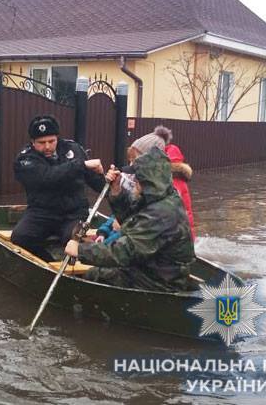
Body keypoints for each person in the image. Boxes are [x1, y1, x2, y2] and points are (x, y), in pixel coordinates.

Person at [65, 146, 195, 292]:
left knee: (94, 274)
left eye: (137, 177)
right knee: (103, 269)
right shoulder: (163, 197)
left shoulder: (161, 213)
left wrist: (80, 250)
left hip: (160, 282)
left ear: (147, 181)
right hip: (154, 268)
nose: (134, 180)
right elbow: (131, 220)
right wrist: (117, 191)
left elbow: (125, 251)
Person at [11, 114, 106, 261]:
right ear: (32, 142)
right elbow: (47, 177)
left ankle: (84, 269)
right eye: (41, 142)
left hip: (74, 213)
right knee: (20, 237)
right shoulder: (25, 159)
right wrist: (80, 165)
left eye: (51, 141)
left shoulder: (73, 149)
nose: (47, 146)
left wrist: (105, 178)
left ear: (57, 138)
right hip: (41, 212)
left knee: (73, 238)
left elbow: (95, 182)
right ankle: (46, 262)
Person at [127, 126, 195, 240]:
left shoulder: (171, 183)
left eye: (135, 159)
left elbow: (161, 219)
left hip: (175, 240)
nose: (132, 165)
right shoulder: (156, 178)